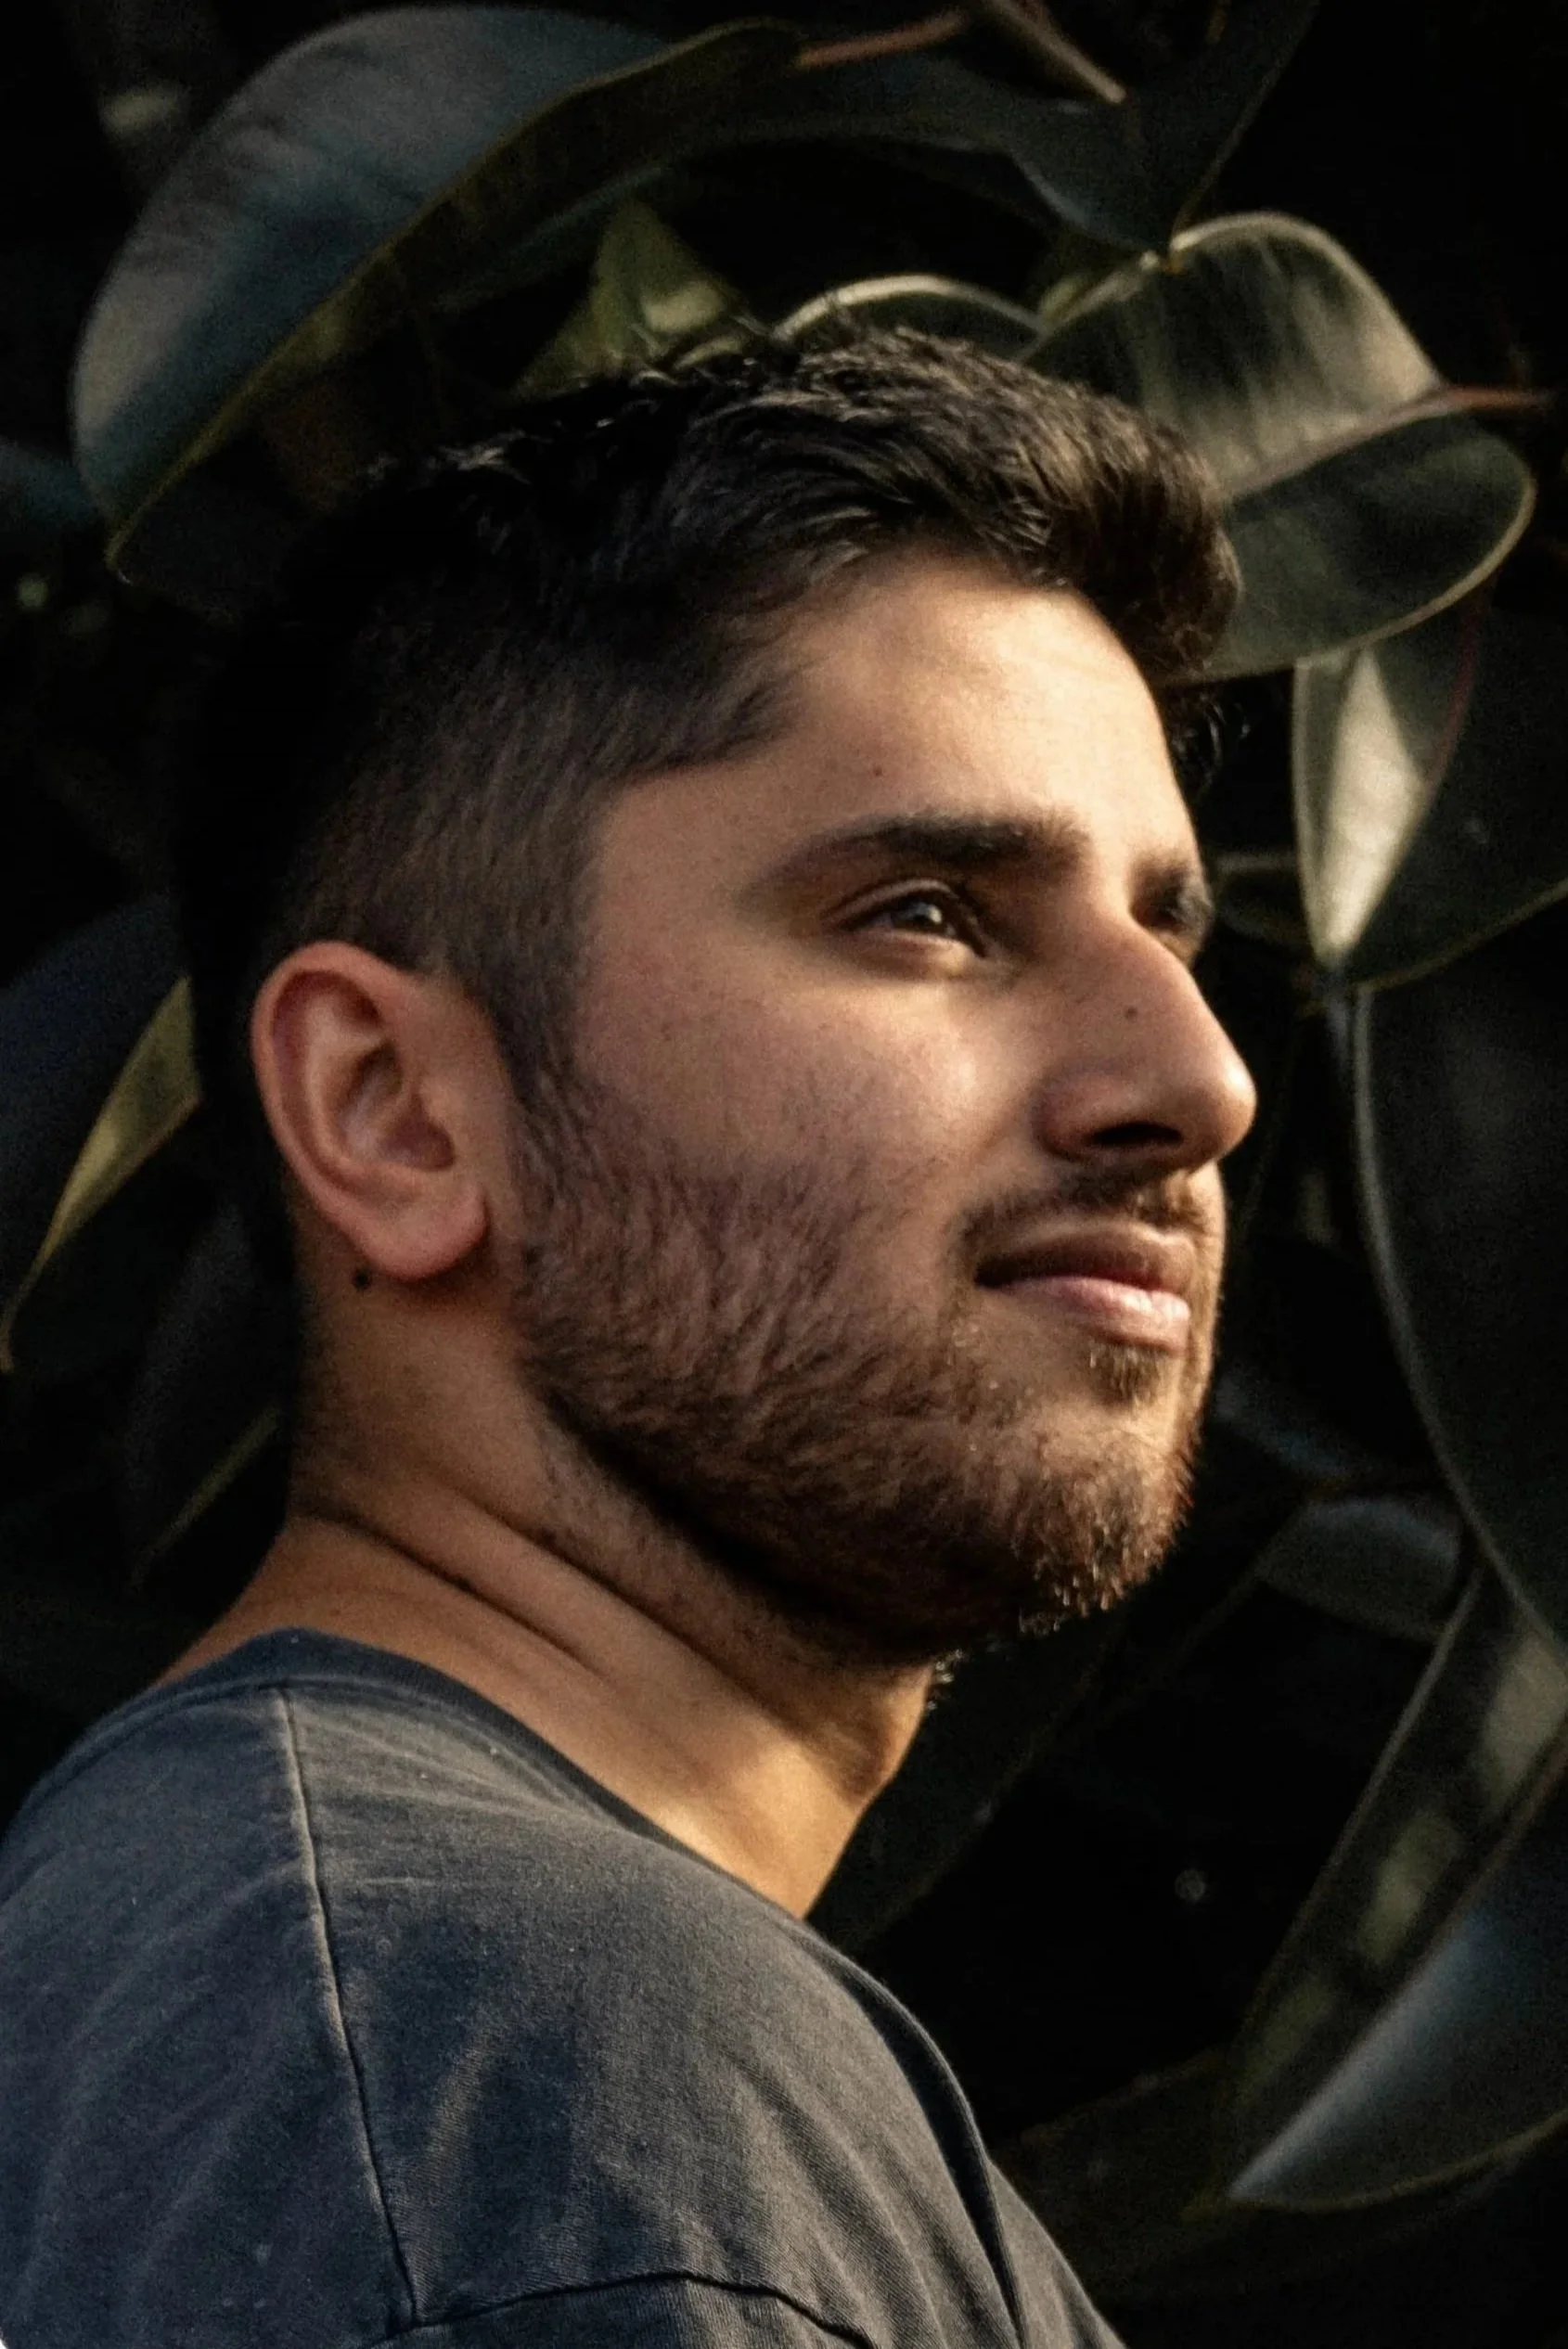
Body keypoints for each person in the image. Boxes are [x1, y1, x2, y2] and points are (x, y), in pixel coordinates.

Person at [0, 329, 1255, 2348]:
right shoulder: (522, 2056)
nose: (1193, 1080)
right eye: (927, 912)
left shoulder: (274, 1992)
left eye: (1165, 934)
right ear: (395, 1115)